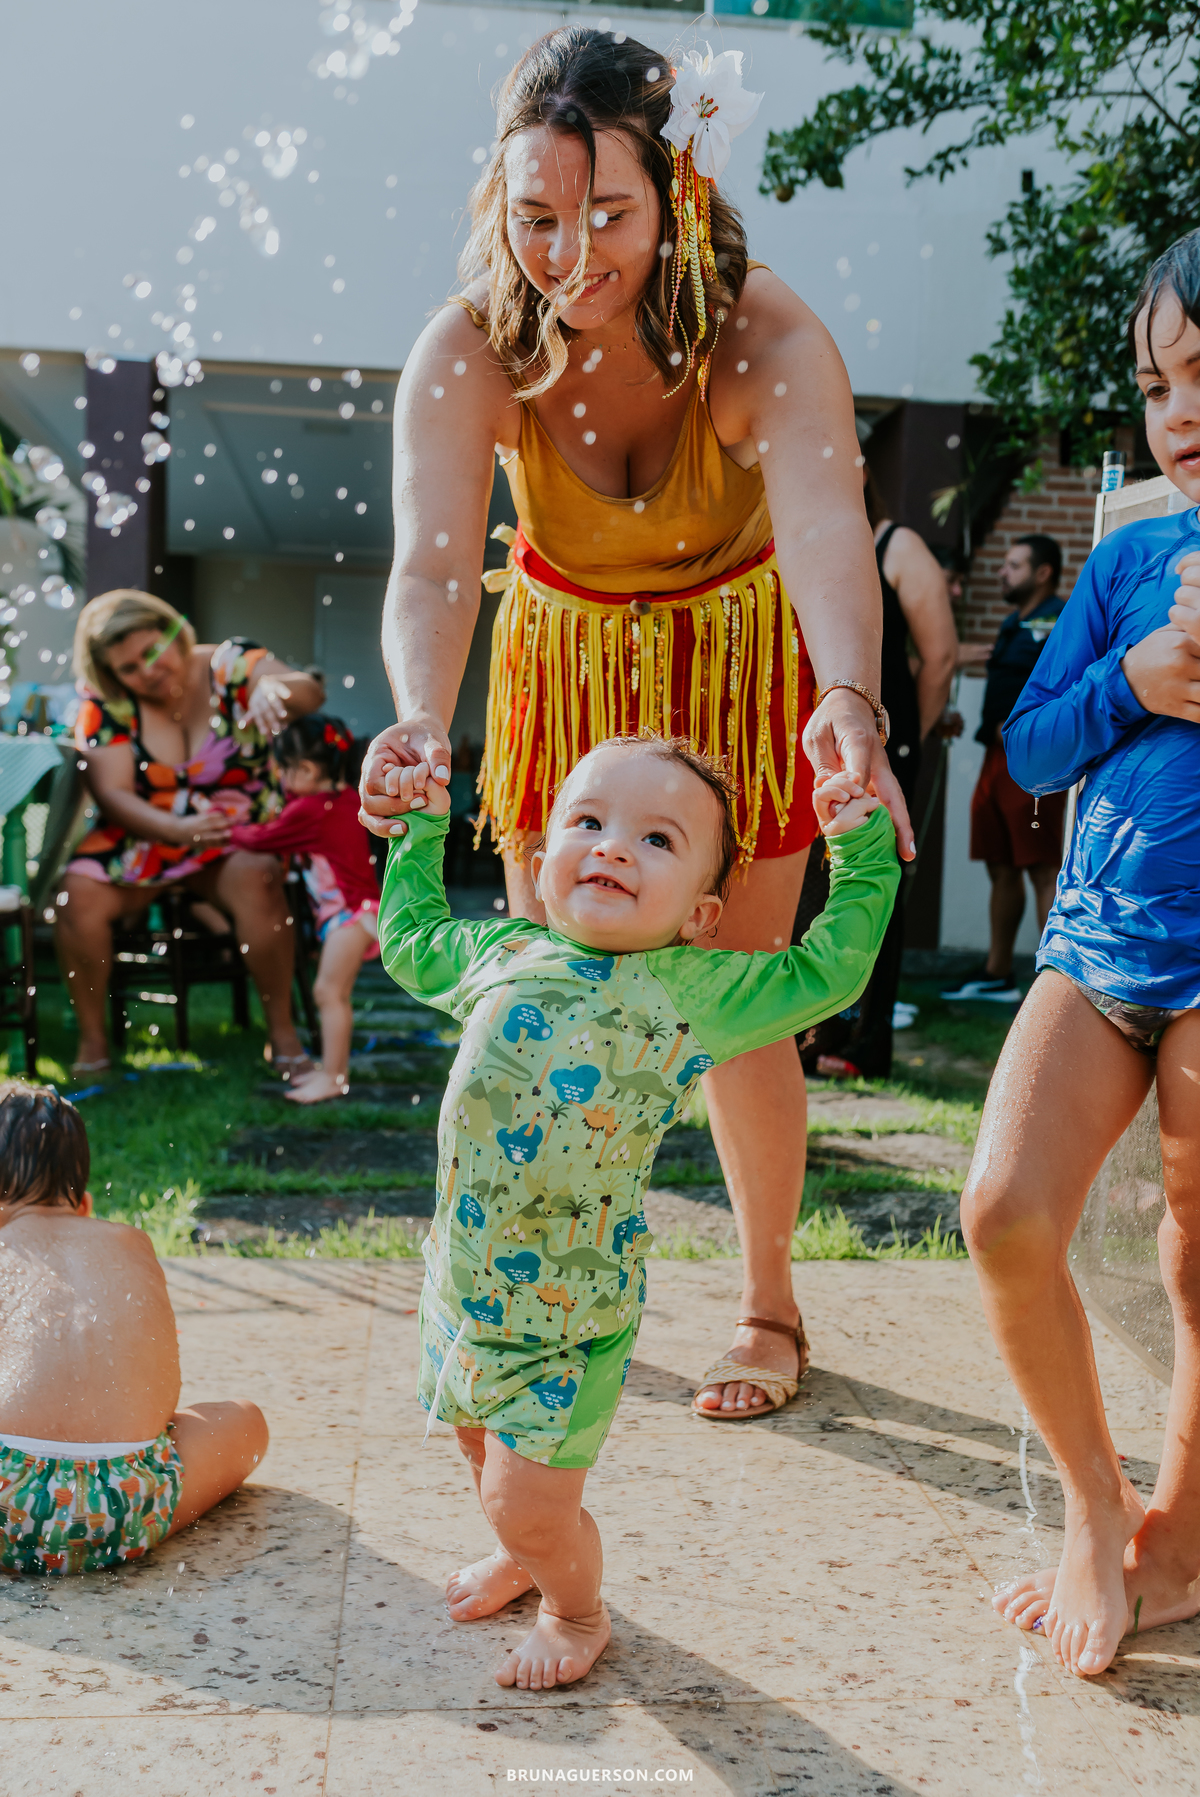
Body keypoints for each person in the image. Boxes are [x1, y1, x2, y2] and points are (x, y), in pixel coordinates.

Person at [358, 28, 914, 1422]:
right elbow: (433, 565)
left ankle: (767, 1304)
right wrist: (423, 718)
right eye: (537, 216)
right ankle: (522, 1285)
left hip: (739, 658)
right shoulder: (470, 340)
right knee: (554, 986)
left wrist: (848, 695)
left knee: (739, 1008)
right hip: (567, 673)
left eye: (609, 215)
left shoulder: (765, 331)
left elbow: (829, 527)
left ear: (676, 186)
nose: (571, 252)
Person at [379, 733, 898, 1688]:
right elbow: (410, 938)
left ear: (703, 911)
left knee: (531, 1491)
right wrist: (416, 831)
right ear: (540, 861)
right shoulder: (500, 952)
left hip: (570, 1317)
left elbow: (829, 970)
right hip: (459, 1291)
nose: (613, 846)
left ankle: (575, 1606)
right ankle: (522, 1547)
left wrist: (859, 855)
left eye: (657, 839)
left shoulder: (695, 990)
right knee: (478, 1446)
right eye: (588, 822)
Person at [963, 228, 1200, 1677]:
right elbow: (1031, 741)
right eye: (1158, 383)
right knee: (1003, 1211)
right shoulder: (1132, 558)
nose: (1180, 410)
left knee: (1197, 1243)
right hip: (1104, 941)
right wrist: (1135, 677)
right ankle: (1087, 1502)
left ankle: (1176, 1534)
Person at [0, 1083, 268, 1574]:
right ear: (81, 1201)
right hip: (122, 1509)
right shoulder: (129, 1242)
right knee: (246, 1421)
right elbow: (160, 1399)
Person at [55, 589, 323, 1080]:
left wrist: (275, 690)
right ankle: (92, 1039)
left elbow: (309, 690)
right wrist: (176, 828)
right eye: (128, 668)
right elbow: (112, 793)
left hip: (234, 838)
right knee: (76, 895)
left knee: (260, 876)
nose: (146, 672)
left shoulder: (230, 664)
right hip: (144, 835)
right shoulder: (106, 704)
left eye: (151, 651)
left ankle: (282, 1035)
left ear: (175, 630)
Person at [810, 468, 958, 1077]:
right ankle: (805, 1038)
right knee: (808, 894)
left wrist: (903, 742)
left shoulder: (896, 545)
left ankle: (859, 1043)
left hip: (880, 749)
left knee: (870, 889)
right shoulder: (798, 540)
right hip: (812, 748)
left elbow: (941, 654)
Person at [228, 713, 380, 1105]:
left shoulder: (311, 809)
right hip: (362, 911)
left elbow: (263, 839)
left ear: (308, 770)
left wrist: (225, 829)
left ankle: (333, 1076)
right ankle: (331, 1071)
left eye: (285, 770)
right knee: (334, 992)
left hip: (350, 914)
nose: (282, 779)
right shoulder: (345, 799)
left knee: (328, 992)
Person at [941, 536, 1068, 1004]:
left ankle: (1056, 987)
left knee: (1041, 867)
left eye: (1013, 565)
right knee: (999, 865)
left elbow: (1067, 689)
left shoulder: (1060, 621)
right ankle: (997, 973)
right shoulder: (1014, 623)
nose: (1002, 572)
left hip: (1033, 766)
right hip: (994, 763)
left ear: (1043, 573)